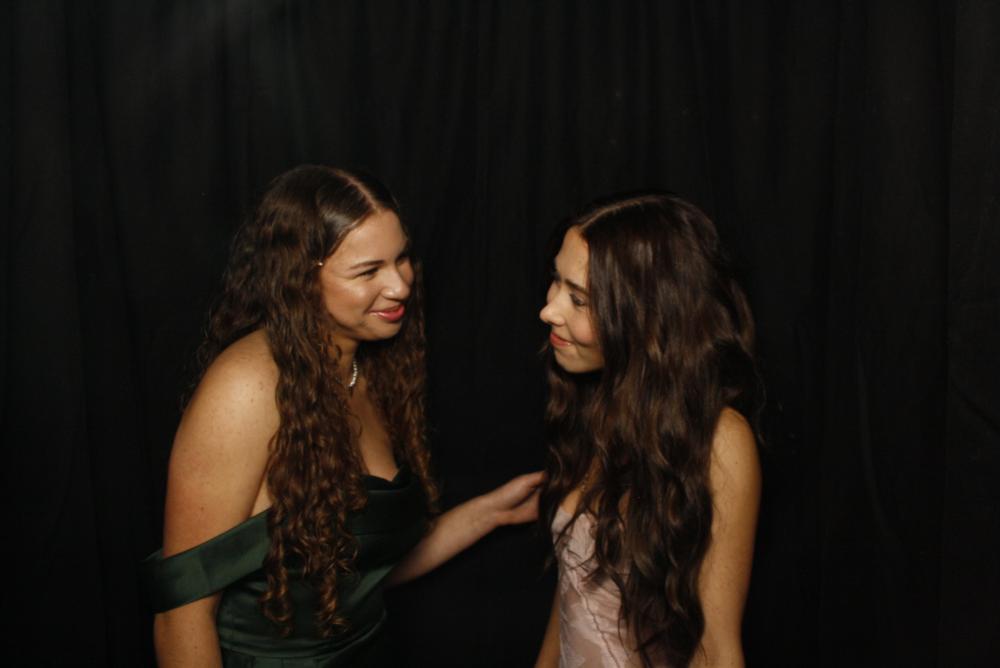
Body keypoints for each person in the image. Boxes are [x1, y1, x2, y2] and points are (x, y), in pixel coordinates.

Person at [143, 165, 542, 667]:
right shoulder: (245, 389)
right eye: (368, 271)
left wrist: (494, 511)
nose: (400, 286)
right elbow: (182, 613)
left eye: (402, 258)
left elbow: (360, 569)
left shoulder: (371, 372)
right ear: (301, 280)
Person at [533, 192, 763, 668]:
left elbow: (718, 648)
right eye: (556, 281)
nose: (549, 310)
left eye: (578, 299)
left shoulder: (719, 440)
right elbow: (575, 588)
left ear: (645, 316)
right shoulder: (596, 403)